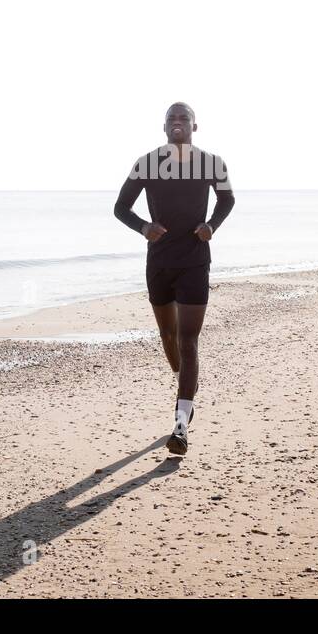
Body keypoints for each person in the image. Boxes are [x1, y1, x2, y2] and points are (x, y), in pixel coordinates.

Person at [113, 102, 234, 455]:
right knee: (167, 336)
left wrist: (211, 225)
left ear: (195, 127)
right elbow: (121, 207)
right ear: (164, 126)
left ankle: (180, 424)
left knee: (188, 340)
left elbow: (227, 199)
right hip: (159, 263)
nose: (178, 122)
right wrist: (143, 227)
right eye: (172, 118)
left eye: (184, 118)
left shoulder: (212, 163)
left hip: (195, 261)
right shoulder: (146, 163)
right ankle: (188, 391)